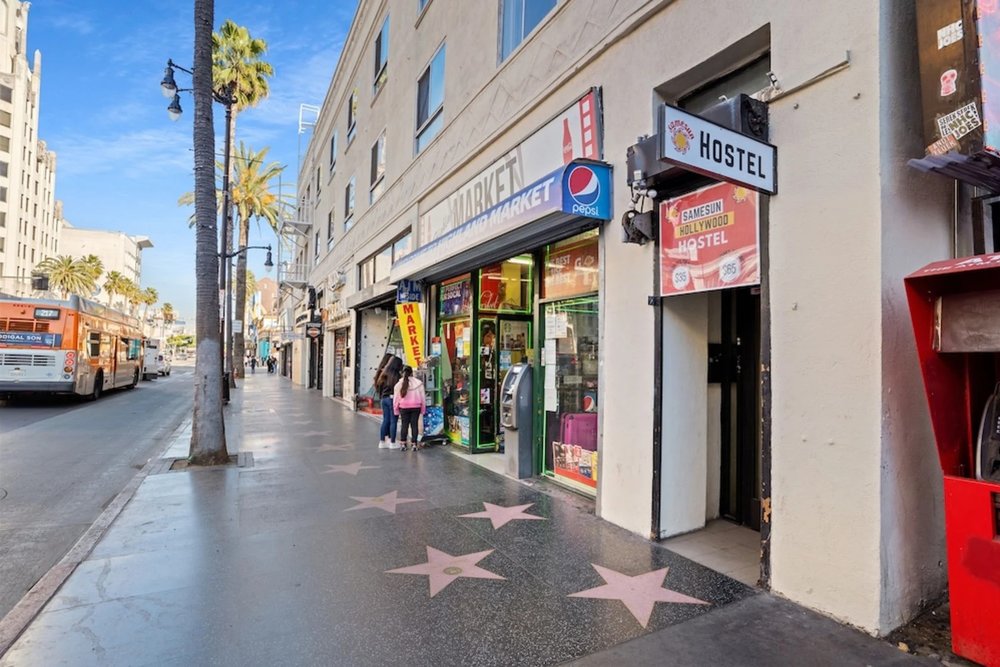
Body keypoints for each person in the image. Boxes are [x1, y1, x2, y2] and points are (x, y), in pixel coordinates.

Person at [393, 365, 426, 452]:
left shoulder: (399, 384)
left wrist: (396, 409)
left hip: (403, 407)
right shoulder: (419, 383)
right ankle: (414, 444)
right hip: (416, 407)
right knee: (414, 425)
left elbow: (396, 398)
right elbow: (423, 398)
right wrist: (423, 409)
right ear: (412, 372)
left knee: (404, 425)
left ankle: (403, 444)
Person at [376, 356, 403, 449]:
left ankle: (382, 442)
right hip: (392, 399)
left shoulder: (383, 374)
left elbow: (379, 387)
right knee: (393, 421)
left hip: (384, 399)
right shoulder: (397, 376)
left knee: (385, 420)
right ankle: (392, 442)